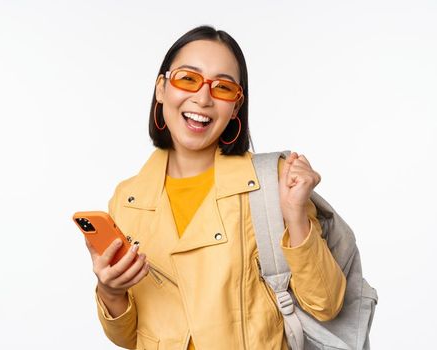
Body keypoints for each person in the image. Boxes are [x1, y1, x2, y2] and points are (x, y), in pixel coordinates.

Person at [84, 25, 347, 350]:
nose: (204, 97)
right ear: (161, 89)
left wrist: (294, 214)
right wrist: (110, 291)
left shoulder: (271, 182)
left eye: (223, 87)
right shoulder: (127, 200)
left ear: (236, 107)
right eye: (188, 79)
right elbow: (129, 337)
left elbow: (326, 304)